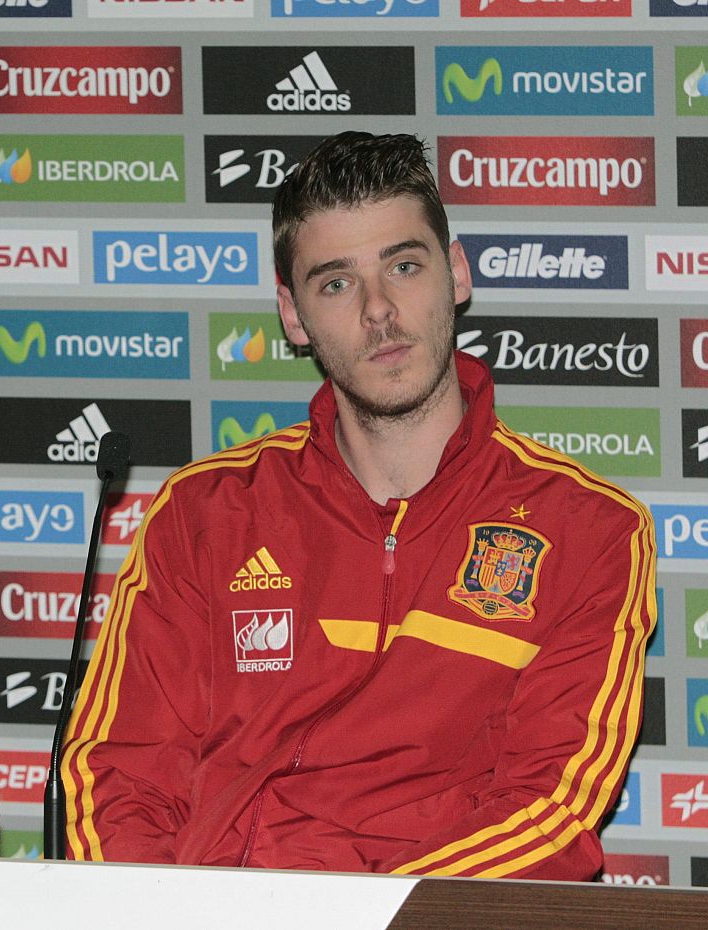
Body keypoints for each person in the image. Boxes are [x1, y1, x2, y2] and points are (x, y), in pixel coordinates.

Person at [61, 132, 655, 880]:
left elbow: (549, 816)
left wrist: (368, 920)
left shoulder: (591, 530)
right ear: (294, 315)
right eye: (336, 283)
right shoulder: (204, 512)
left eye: (404, 266)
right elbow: (121, 772)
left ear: (457, 273)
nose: (379, 310)